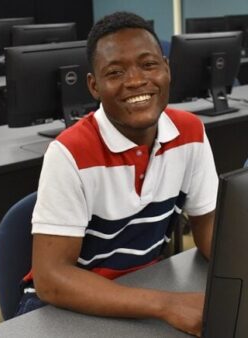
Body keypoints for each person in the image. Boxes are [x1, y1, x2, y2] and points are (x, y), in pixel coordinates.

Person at [15, 11, 218, 337]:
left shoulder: (190, 132)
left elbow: (209, 230)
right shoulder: (69, 153)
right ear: (94, 86)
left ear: (167, 68)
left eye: (149, 64)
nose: (136, 80)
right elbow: (51, 280)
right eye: (115, 72)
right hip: (66, 304)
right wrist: (165, 304)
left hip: (142, 285)